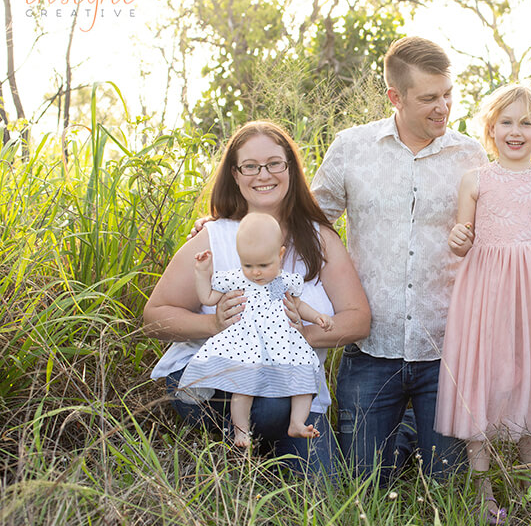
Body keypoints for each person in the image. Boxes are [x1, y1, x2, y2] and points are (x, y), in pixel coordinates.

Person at [145, 120, 370, 476]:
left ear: (291, 169)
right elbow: (155, 316)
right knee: (266, 407)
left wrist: (300, 335)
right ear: (235, 174)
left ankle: (261, 454)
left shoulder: (320, 240)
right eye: (250, 166)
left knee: (325, 495)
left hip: (294, 390)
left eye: (274, 163)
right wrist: (213, 323)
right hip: (216, 382)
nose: (263, 174)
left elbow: (357, 318)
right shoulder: (213, 237)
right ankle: (236, 450)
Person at [310, 36, 490, 480]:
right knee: (364, 484)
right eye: (429, 98)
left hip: (445, 347)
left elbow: (499, 234)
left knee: (447, 487)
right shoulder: (352, 147)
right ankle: (403, 433)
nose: (443, 107)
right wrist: (223, 223)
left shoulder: (469, 155)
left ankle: (410, 431)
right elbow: (309, 220)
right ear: (395, 97)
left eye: (448, 94)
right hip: (372, 347)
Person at [434, 81, 531, 525]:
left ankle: (530, 482)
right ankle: (483, 488)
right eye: (506, 122)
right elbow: (463, 239)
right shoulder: (475, 180)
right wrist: (459, 238)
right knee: (485, 374)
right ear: (490, 128)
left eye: (526, 123)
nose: (515, 131)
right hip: (487, 292)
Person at [180, 212, 333, 448]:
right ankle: (241, 431)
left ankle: (297, 423)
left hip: (281, 344)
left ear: (280, 255)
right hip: (248, 345)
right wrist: (202, 272)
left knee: (302, 380)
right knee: (243, 388)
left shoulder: (279, 282)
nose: (256, 272)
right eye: (248, 264)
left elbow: (298, 305)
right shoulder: (238, 279)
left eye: (264, 265)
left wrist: (318, 317)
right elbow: (208, 297)